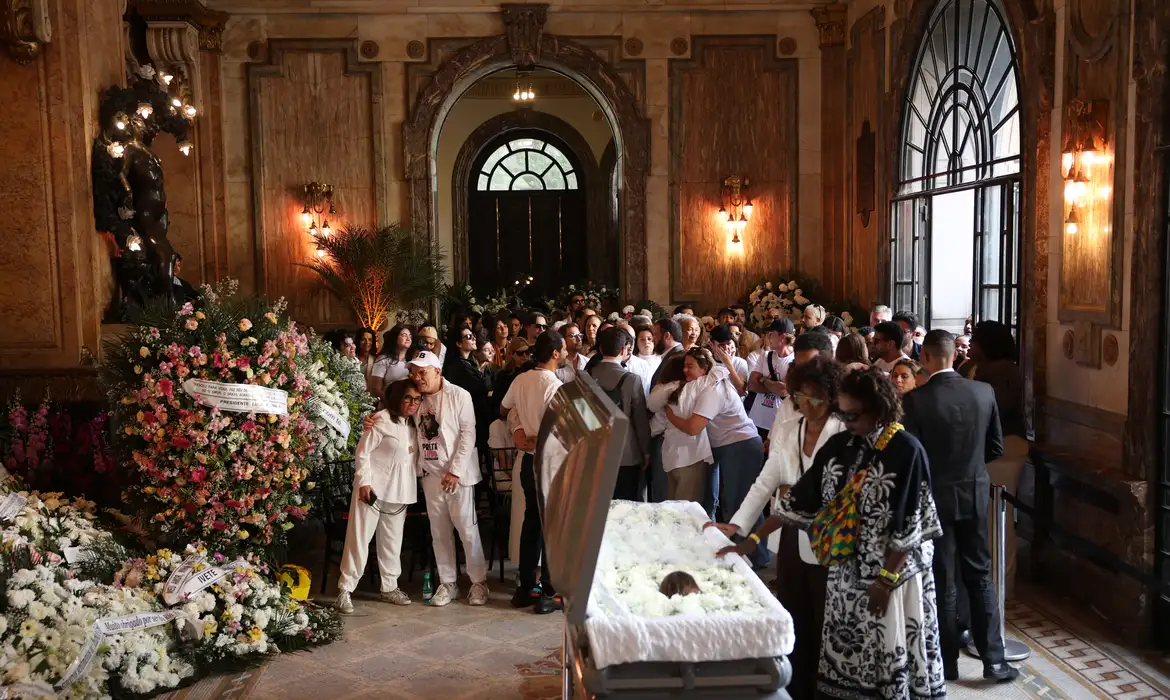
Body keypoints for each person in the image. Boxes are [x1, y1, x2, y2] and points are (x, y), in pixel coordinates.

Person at [719, 367, 946, 700]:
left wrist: (885, 581)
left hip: (892, 575)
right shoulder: (841, 446)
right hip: (846, 575)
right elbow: (799, 499)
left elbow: (912, 525)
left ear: (878, 408)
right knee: (845, 662)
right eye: (843, 413)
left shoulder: (906, 450)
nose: (847, 421)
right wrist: (751, 540)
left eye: (854, 415)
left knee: (887, 654)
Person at [707, 356, 845, 700]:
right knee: (794, 612)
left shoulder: (843, 432)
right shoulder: (790, 427)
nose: (806, 405)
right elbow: (767, 480)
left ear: (830, 397)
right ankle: (796, 688)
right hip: (791, 533)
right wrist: (738, 525)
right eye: (800, 397)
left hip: (830, 537)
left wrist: (798, 494)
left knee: (825, 618)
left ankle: (825, 689)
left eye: (815, 398)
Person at [902, 330, 1016, 682]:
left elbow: (913, 457)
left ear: (925, 357)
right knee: (980, 574)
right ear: (955, 356)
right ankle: (994, 661)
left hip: (935, 497)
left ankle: (946, 662)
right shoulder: (983, 392)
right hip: (974, 492)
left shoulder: (916, 400)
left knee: (943, 579)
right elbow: (996, 447)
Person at [668, 348, 768, 567]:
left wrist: (670, 415)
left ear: (704, 368)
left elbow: (693, 427)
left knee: (742, 503)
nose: (685, 370)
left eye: (690, 366)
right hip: (728, 446)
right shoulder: (705, 385)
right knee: (733, 502)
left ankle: (755, 558)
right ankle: (747, 554)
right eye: (684, 366)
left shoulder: (712, 389)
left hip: (740, 445)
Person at [406, 350, 489, 607]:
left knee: (467, 529)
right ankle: (448, 582)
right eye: (414, 373)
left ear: (437, 371)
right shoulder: (415, 398)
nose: (417, 377)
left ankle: (478, 582)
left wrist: (455, 470)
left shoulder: (458, 395)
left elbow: (468, 434)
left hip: (458, 475)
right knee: (439, 532)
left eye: (422, 372)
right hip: (431, 474)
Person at [335, 380, 422, 614]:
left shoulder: (415, 424)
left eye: (417, 399)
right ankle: (345, 589)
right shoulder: (381, 420)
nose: (413, 403)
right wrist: (364, 482)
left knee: (392, 541)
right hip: (372, 490)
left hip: (400, 490)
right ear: (397, 398)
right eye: (408, 398)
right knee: (359, 538)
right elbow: (362, 453)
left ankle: (390, 586)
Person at [500, 331, 565, 614]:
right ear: (555, 353)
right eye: (563, 349)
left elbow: (504, 408)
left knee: (532, 522)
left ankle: (526, 586)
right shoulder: (555, 385)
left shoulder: (521, 379)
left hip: (528, 460)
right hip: (550, 462)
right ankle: (549, 591)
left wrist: (523, 430)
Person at [968, 320, 1026, 597]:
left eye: (975, 340)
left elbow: (995, 410)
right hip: (991, 448)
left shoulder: (1003, 370)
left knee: (998, 520)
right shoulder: (983, 368)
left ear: (987, 344)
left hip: (1003, 449)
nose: (970, 344)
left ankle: (1002, 586)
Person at [588, 327, 651, 501]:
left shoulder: (585, 376)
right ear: (624, 349)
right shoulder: (631, 379)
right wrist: (646, 451)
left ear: (601, 348)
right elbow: (640, 421)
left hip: (594, 453)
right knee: (626, 506)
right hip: (626, 454)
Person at [647, 350, 713, 503]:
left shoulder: (670, 395)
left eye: (689, 366)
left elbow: (654, 421)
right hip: (692, 456)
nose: (686, 370)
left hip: (673, 457)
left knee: (673, 506)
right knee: (687, 508)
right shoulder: (697, 389)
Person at [442, 325, 493, 449]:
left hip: (475, 418)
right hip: (466, 421)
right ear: (459, 343)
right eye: (469, 337)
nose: (474, 338)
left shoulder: (469, 364)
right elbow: (481, 387)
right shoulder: (456, 367)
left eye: (473, 335)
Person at [646, 353, 686, 503]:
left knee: (663, 489)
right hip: (682, 444)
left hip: (664, 440)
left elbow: (655, 413)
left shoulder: (667, 389)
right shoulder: (676, 389)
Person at [747, 319, 796, 441]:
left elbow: (784, 391)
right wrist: (775, 386)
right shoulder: (765, 356)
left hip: (779, 421)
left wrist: (764, 380)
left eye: (771, 334)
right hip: (757, 419)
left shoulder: (795, 360)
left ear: (782, 337)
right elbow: (752, 384)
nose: (768, 338)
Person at [371, 324, 413, 398]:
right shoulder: (384, 359)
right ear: (395, 338)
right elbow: (375, 389)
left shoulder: (413, 360)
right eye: (404, 335)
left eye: (410, 336)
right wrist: (389, 402)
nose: (408, 339)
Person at [707, 324, 748, 396]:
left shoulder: (740, 362)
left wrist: (728, 364)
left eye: (728, 343)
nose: (726, 348)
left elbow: (741, 391)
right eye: (722, 345)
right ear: (711, 344)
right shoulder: (707, 362)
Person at [650, 317, 685, 387]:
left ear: (666, 335)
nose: (652, 339)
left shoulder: (678, 359)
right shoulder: (672, 355)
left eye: (655, 334)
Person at [355, 327, 379, 393]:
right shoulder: (351, 359)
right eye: (363, 339)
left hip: (372, 396)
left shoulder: (376, 360)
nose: (367, 342)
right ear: (358, 341)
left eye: (370, 340)